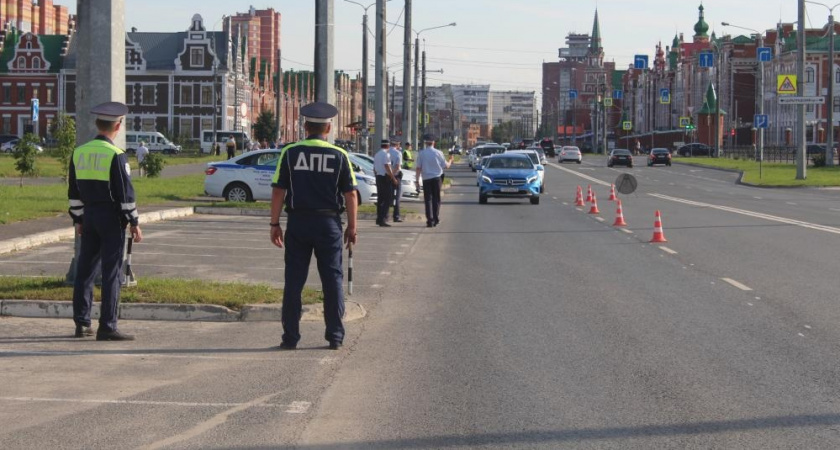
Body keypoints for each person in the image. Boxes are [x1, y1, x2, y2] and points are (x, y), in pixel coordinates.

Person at [269, 101, 357, 351]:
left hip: (298, 222)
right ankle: (335, 336)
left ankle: (291, 338)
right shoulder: (340, 156)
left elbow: (278, 190)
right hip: (329, 224)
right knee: (332, 280)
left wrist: (274, 223)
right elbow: (350, 194)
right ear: (328, 128)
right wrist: (352, 227)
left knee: (294, 281)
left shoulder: (291, 153)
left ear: (305, 126)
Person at [67, 101, 143, 341]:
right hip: (111, 218)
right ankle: (107, 326)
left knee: (85, 271)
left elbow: (73, 193)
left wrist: (78, 219)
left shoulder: (79, 152)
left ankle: (82, 324)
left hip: (88, 217)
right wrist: (134, 221)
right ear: (118, 126)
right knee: (111, 273)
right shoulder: (116, 155)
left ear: (97, 124)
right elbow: (124, 193)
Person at [415, 133, 454, 228]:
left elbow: (418, 168)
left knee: (428, 200)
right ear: (433, 143)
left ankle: (429, 220)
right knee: (436, 199)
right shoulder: (438, 153)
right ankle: (436, 219)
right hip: (437, 178)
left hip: (426, 179)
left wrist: (417, 180)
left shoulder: (421, 153)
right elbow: (446, 166)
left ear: (426, 143)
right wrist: (450, 160)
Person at [373, 139, 399, 227]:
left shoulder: (377, 154)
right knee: (387, 199)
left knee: (380, 199)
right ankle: (383, 219)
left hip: (378, 177)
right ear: (388, 146)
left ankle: (378, 218)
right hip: (385, 177)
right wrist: (393, 178)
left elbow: (374, 168)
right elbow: (387, 166)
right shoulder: (386, 154)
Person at [389, 137, 404, 223]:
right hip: (396, 176)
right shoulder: (398, 153)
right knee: (397, 197)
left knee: (387, 196)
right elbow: (397, 166)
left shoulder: (386, 152)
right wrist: (393, 176)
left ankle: (385, 216)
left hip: (386, 176)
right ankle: (396, 216)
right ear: (397, 144)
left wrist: (389, 175)